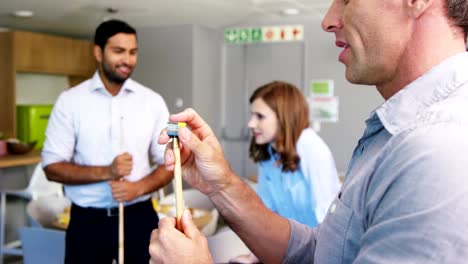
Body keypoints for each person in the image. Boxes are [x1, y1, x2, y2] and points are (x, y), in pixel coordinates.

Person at [149, 0, 468, 261]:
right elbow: (319, 253)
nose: (328, 19)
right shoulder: (393, 134)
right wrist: (220, 185)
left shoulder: (438, 147)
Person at [42, 19, 173, 264]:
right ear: (98, 52)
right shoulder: (70, 101)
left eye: (133, 52)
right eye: (119, 51)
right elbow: (52, 167)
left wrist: (138, 188)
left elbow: (169, 162)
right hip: (87, 221)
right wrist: (108, 171)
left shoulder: (152, 101)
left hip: (139, 215)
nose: (128, 59)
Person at [230, 81, 340, 263]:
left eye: (260, 116)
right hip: (290, 253)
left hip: (321, 254)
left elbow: (327, 217)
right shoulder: (268, 154)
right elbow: (266, 214)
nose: (251, 123)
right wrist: (254, 256)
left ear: (283, 117)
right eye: (252, 115)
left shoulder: (309, 145)